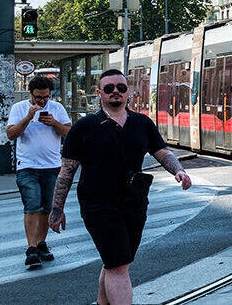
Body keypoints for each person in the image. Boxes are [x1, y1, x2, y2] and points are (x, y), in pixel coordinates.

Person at [50, 69, 192, 305]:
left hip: (134, 202)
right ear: (99, 94)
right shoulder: (83, 127)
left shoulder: (142, 123)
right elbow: (66, 171)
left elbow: (162, 152)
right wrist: (57, 209)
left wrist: (179, 171)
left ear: (129, 93)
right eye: (109, 88)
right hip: (98, 203)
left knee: (117, 261)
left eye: (121, 87)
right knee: (118, 264)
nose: (115, 91)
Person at [7, 76, 72, 267]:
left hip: (51, 166)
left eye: (45, 97)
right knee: (32, 205)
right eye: (38, 97)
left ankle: (41, 243)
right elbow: (11, 134)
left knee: (46, 208)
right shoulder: (19, 108)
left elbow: (69, 133)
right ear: (31, 94)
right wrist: (28, 117)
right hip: (27, 166)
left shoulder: (57, 108)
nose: (41, 101)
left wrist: (54, 124)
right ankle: (31, 248)